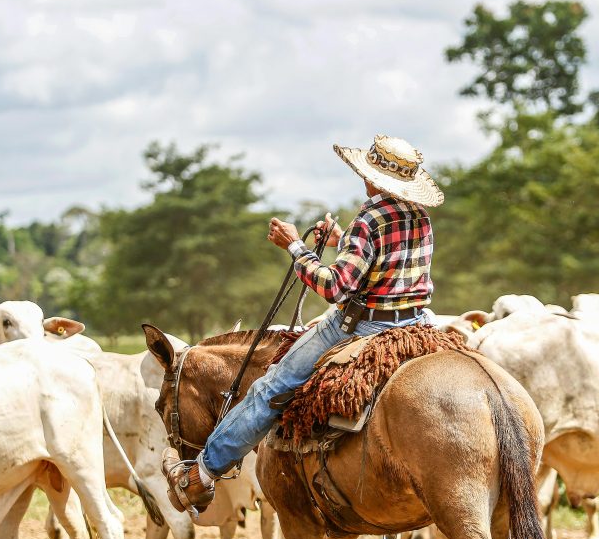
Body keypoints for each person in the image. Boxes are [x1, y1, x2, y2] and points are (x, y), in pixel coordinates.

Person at [162, 135, 443, 513]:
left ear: (371, 177)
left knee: (270, 387)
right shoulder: (419, 216)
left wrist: (296, 247)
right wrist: (342, 243)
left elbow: (334, 288)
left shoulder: (370, 218)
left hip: (366, 326)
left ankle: (201, 475)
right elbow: (386, 264)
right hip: (417, 322)